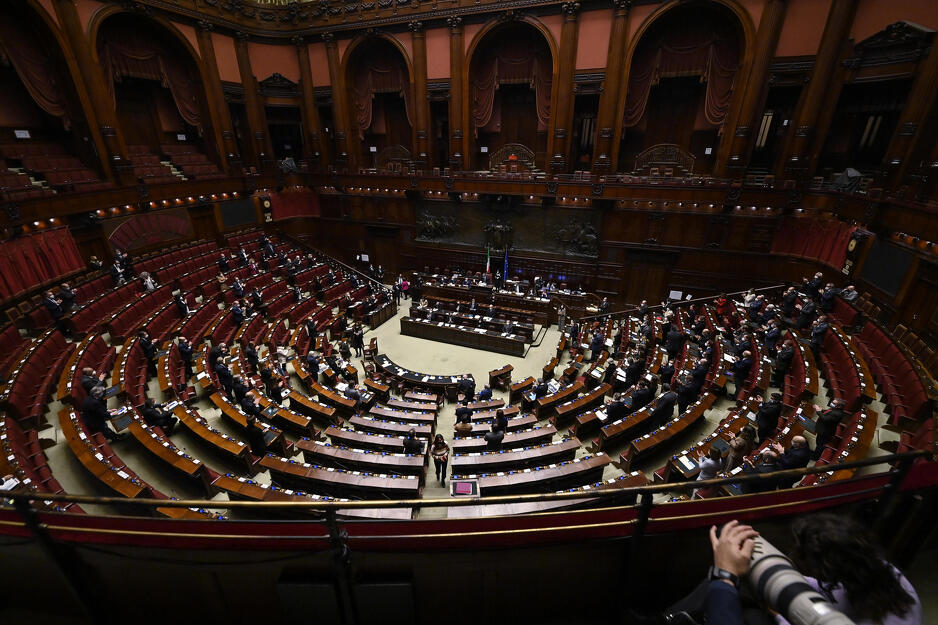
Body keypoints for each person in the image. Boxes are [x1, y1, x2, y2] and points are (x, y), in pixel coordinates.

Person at [779, 514, 922, 625]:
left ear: (824, 569)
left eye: (799, 554)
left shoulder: (875, 614)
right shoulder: (875, 570)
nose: (793, 554)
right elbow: (826, 588)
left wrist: (776, 613)